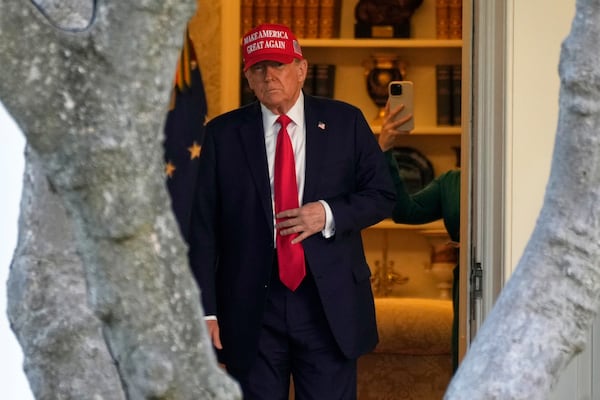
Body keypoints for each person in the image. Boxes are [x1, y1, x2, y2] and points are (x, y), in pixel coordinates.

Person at [188, 23, 396, 399]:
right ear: (248, 77)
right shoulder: (222, 134)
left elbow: (383, 194)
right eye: (258, 68)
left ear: (301, 68)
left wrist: (328, 214)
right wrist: (206, 311)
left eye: (279, 65)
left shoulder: (346, 122)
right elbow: (203, 230)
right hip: (250, 308)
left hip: (328, 306)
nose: (269, 76)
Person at [378, 101, 461, 373]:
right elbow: (404, 211)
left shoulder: (509, 176)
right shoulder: (451, 181)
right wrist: (385, 150)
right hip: (468, 288)